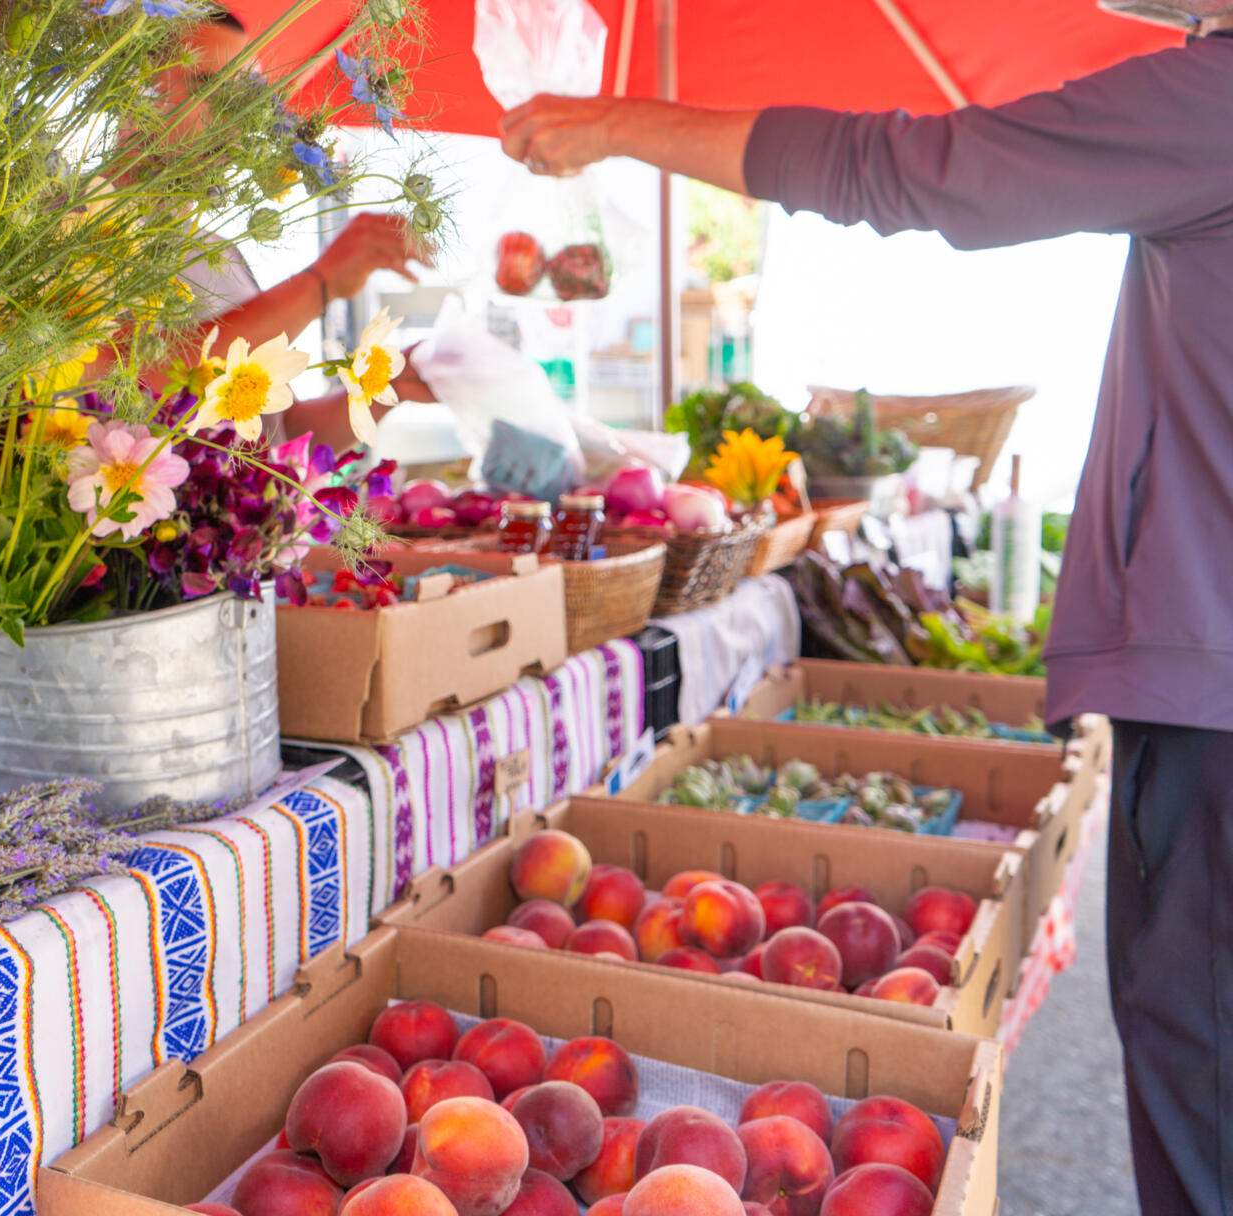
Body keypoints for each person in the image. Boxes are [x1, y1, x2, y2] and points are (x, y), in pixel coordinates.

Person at [501, 7, 1233, 1212]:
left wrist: (620, 125)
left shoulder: (1213, 101)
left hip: (1213, 701)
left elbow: (919, 170)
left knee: (1202, 1085)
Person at [96, 4, 437, 450]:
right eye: (207, 84)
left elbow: (282, 431)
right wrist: (322, 281)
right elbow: (143, 379)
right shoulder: (75, 230)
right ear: (127, 84)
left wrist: (385, 390)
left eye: (245, 97)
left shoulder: (217, 248)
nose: (238, 119)